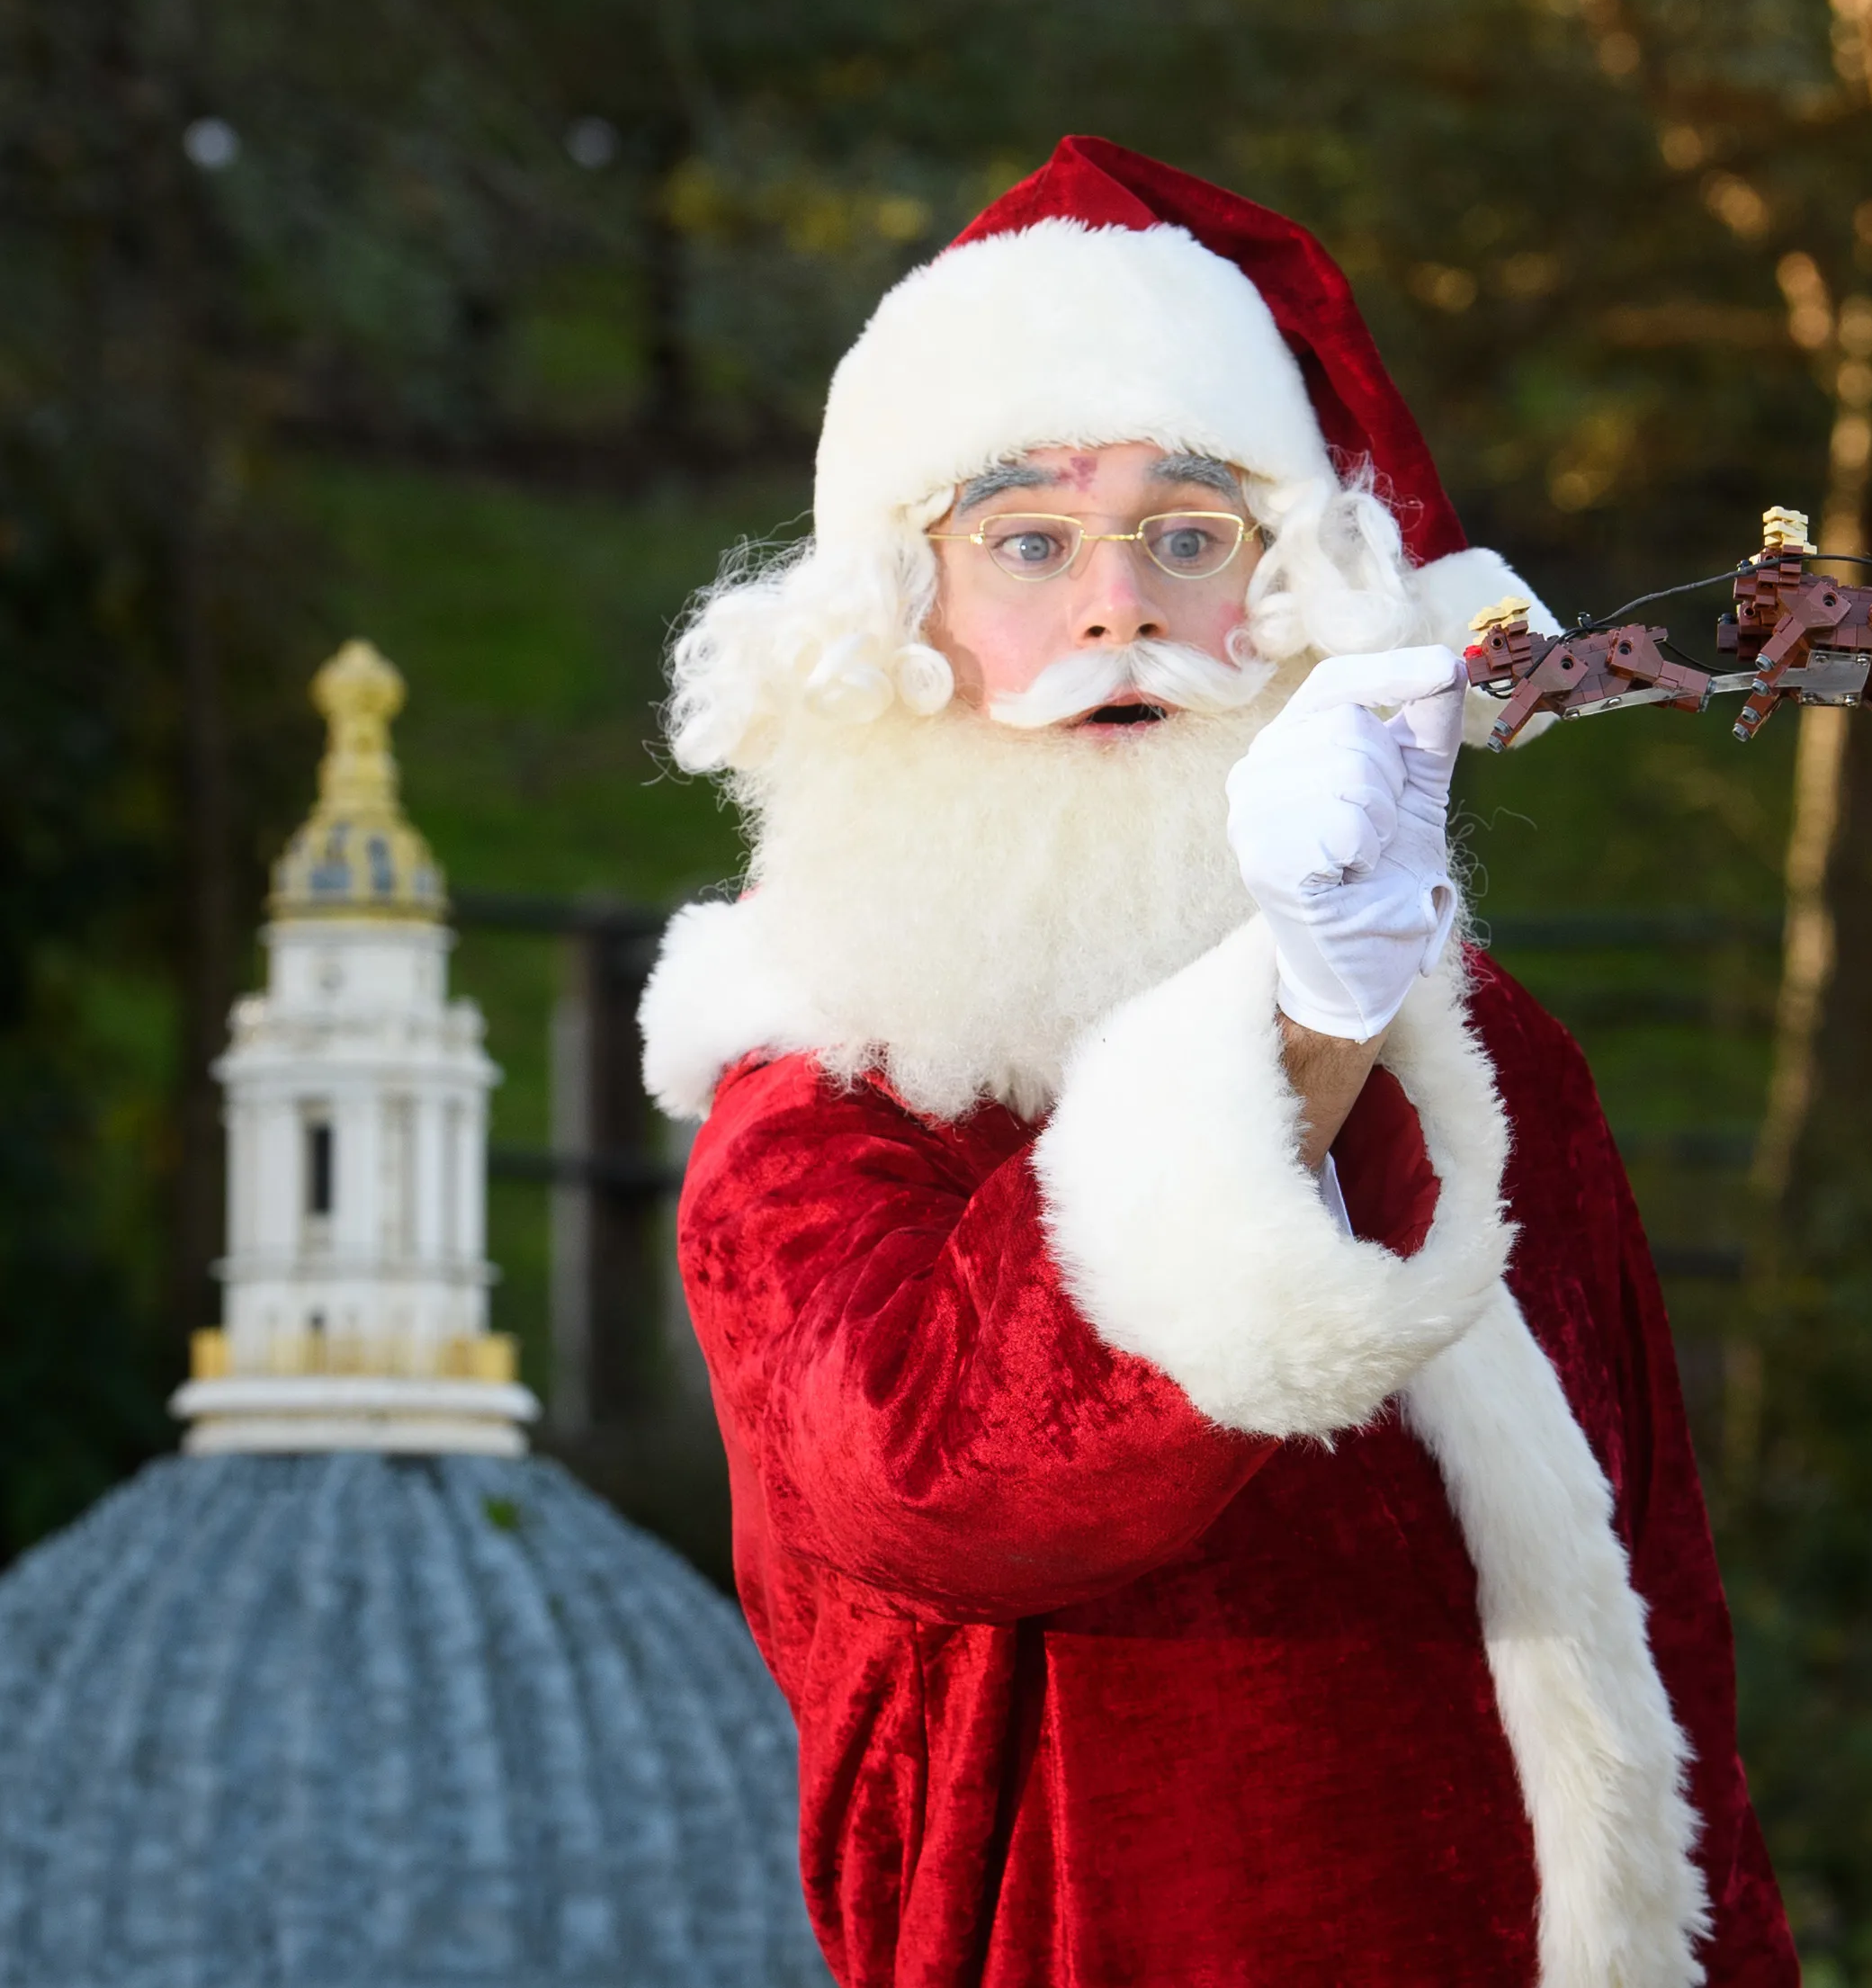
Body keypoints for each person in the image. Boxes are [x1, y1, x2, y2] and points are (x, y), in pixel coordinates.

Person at [639, 136, 1796, 1986]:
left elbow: (1666, 1646)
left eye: (1189, 534)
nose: (1119, 609)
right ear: (893, 624)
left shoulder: (1493, 1067)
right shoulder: (817, 1089)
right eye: (1027, 540)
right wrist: (1297, 1024)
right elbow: (958, 1483)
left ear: (1293, 599)